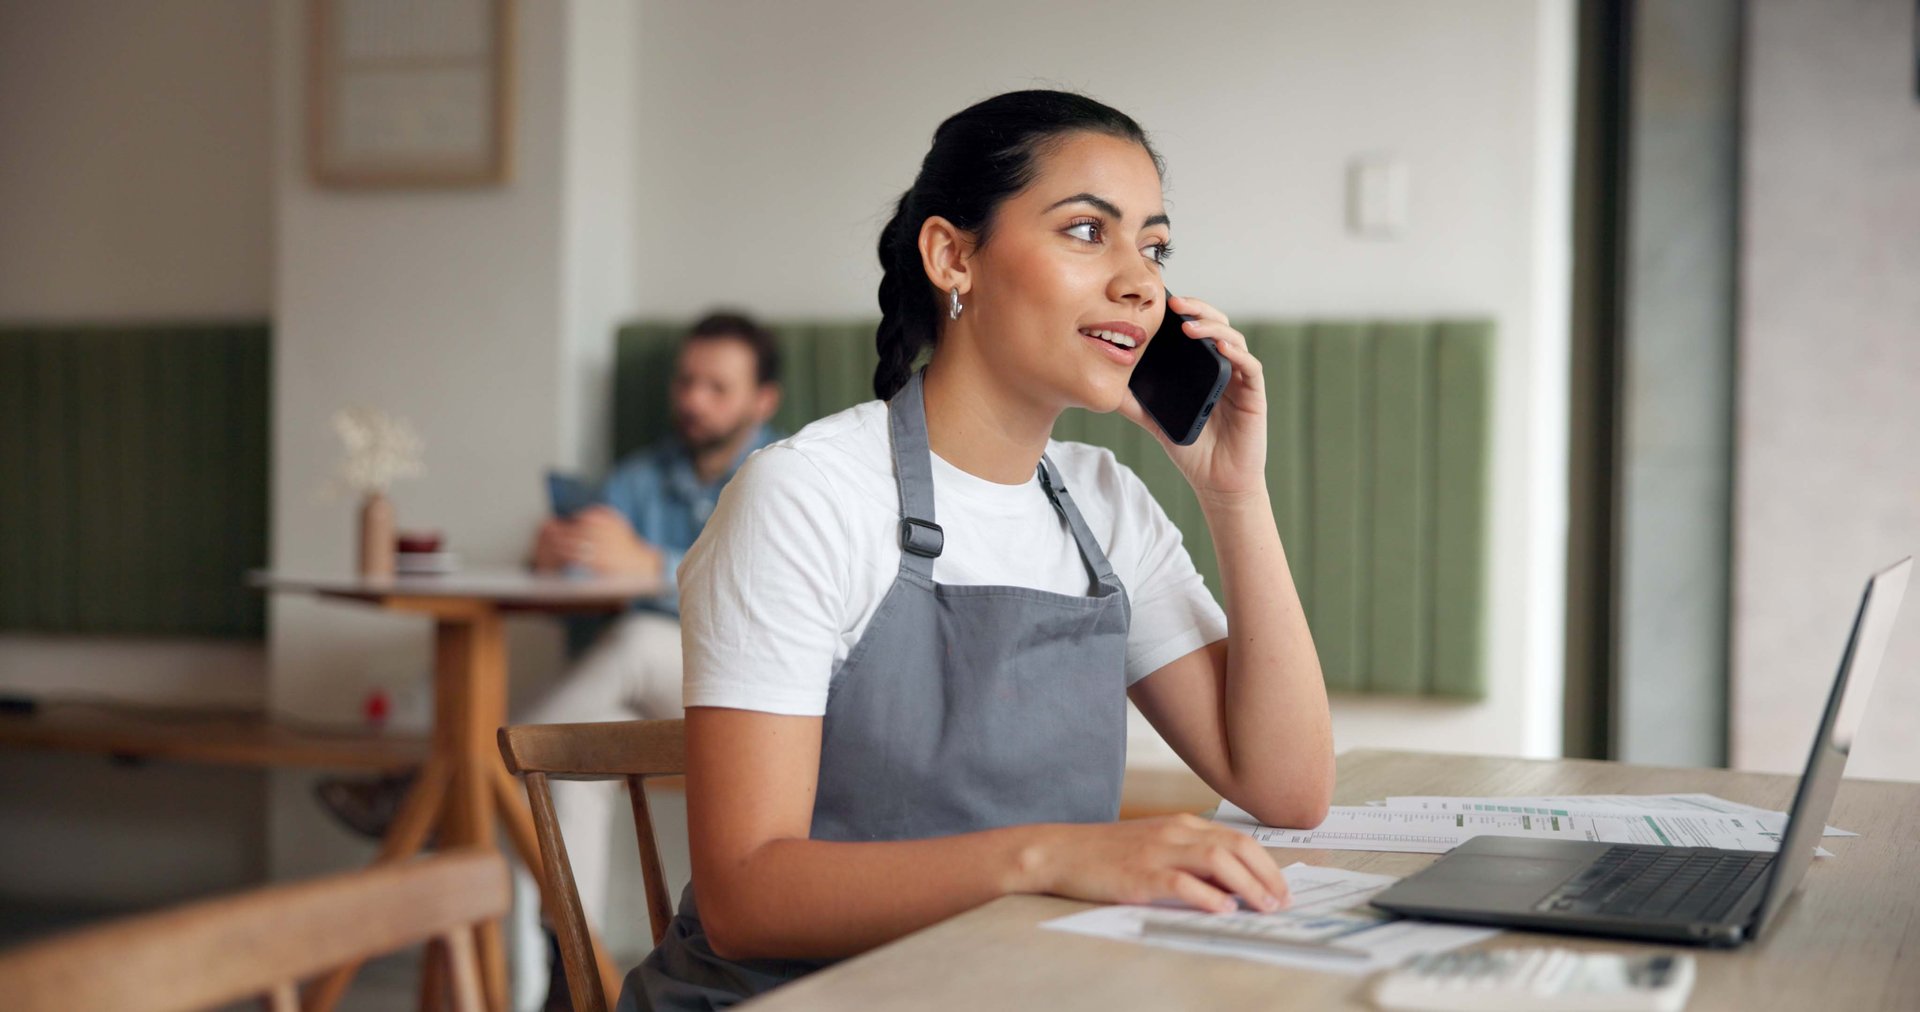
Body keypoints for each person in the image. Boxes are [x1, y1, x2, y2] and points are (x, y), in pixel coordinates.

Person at [623, 91, 1335, 1011]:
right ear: (952, 256)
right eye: (1088, 232)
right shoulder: (805, 496)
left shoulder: (1106, 504)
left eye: (1154, 248)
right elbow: (744, 900)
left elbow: (1289, 788)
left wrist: (1235, 494)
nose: (1141, 284)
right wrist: (1052, 858)